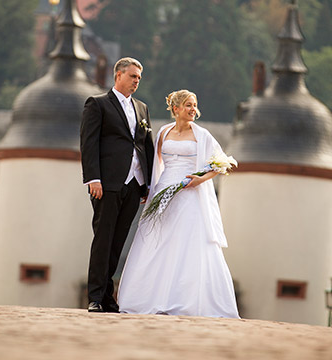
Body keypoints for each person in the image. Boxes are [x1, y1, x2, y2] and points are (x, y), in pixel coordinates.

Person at [118, 90, 240, 318]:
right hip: (165, 190)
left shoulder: (202, 135)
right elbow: (155, 164)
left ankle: (184, 299)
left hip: (189, 194)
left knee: (187, 243)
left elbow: (221, 163)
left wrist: (199, 179)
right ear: (175, 109)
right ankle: (146, 297)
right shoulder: (164, 132)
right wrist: (150, 190)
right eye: (188, 105)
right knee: (157, 242)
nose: (193, 109)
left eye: (194, 105)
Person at [80, 57, 154, 313]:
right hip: (107, 183)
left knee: (118, 241)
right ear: (118, 75)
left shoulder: (142, 108)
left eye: (139, 78)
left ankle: (108, 297)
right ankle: (96, 297)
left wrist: (147, 184)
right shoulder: (98, 104)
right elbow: (89, 143)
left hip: (134, 185)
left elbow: (146, 147)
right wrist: (93, 178)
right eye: (133, 76)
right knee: (103, 239)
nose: (136, 81)